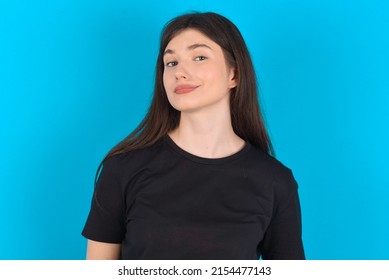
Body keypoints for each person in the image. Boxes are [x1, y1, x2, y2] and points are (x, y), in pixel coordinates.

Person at [82, 11, 305, 260]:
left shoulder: (275, 182)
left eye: (199, 57)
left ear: (234, 74)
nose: (180, 72)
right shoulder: (122, 169)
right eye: (171, 63)